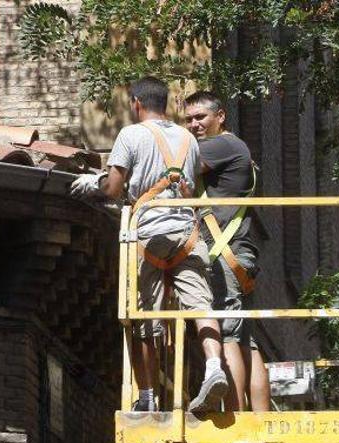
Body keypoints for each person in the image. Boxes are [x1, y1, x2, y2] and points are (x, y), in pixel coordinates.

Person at [71, 77, 228, 413]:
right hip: (188, 234)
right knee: (201, 306)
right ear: (166, 104)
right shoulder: (188, 138)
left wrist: (93, 182)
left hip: (150, 236)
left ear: (137, 103)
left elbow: (114, 188)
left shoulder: (131, 135)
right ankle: (215, 368)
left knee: (143, 315)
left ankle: (147, 395)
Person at [184, 91, 271, 412]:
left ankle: (234, 418)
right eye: (189, 119)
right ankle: (260, 419)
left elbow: (178, 166)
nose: (194, 125)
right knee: (246, 338)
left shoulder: (221, 145)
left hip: (225, 255)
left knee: (228, 334)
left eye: (200, 117)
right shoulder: (233, 147)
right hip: (237, 254)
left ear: (220, 116)